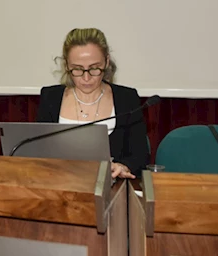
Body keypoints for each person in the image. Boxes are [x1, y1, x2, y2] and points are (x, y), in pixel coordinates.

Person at [37, 28, 149, 178]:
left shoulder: (127, 98)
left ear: (106, 62)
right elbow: (38, 153)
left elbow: (140, 156)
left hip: (111, 186)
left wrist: (123, 166)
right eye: (77, 69)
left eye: (94, 68)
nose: (86, 78)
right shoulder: (50, 98)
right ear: (67, 65)